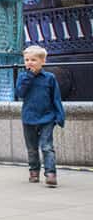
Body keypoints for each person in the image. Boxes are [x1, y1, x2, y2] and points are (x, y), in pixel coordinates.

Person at [16, 45, 65, 187]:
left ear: (42, 61)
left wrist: (59, 116)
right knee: (31, 148)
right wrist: (29, 77)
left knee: (47, 146)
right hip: (29, 118)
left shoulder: (50, 78)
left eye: (33, 60)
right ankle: (34, 171)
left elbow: (56, 98)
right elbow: (20, 93)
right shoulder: (22, 77)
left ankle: (50, 173)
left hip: (47, 118)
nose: (29, 62)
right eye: (27, 60)